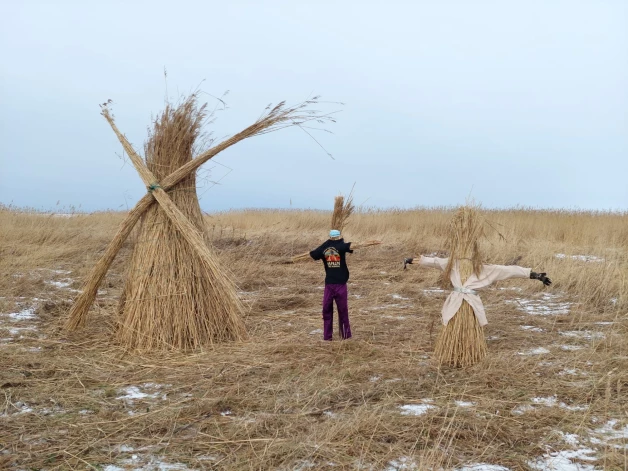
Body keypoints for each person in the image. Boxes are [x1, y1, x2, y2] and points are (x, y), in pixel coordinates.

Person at [402, 256, 552, 326]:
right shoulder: (452, 263)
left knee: (469, 325)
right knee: (453, 323)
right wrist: (413, 260)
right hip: (456, 300)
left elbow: (509, 271)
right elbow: (433, 261)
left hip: (470, 303)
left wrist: (535, 275)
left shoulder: (483, 268)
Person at [310, 229, 354, 340]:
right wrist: (326, 244)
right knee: (328, 310)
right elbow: (314, 254)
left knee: (339, 310)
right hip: (330, 283)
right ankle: (328, 337)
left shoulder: (340, 246)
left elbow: (351, 246)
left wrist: (326, 244)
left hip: (339, 283)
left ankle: (346, 335)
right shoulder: (331, 246)